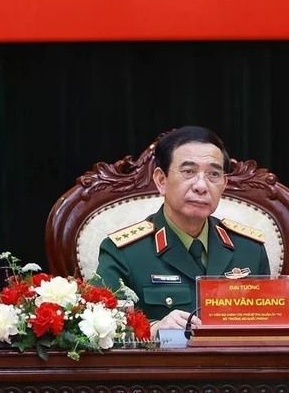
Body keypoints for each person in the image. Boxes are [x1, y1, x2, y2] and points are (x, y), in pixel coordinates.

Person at [95, 126, 270, 337]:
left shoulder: (249, 249)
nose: (201, 186)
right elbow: (98, 327)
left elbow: (267, 327)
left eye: (214, 174)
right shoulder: (124, 252)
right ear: (161, 180)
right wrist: (153, 329)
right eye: (188, 172)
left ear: (224, 184)